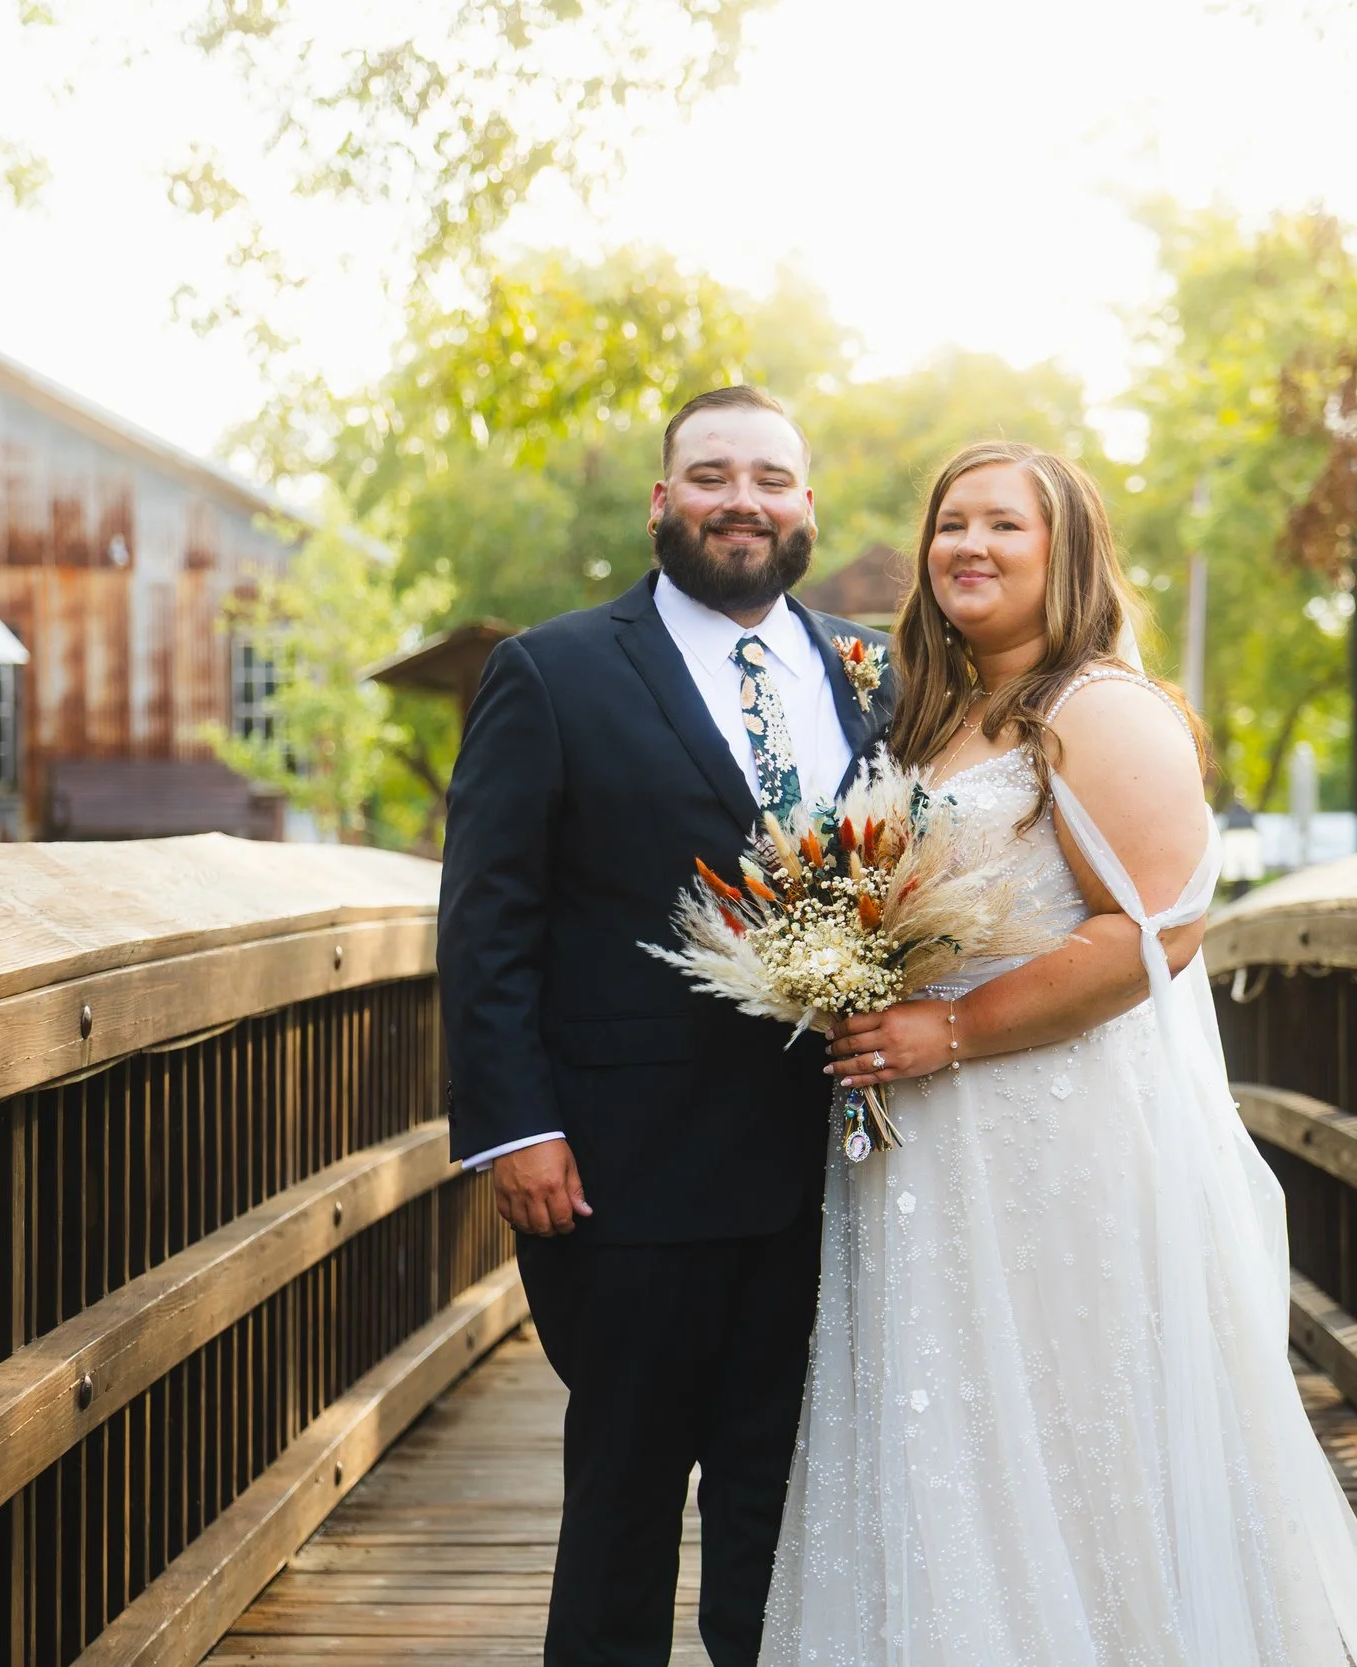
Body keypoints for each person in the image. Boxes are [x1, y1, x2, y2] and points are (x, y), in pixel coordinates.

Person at [760, 441, 1357, 1666]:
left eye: (1001, 524)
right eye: (949, 522)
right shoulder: (934, 711)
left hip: (1042, 1130)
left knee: (1067, 1424)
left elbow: (1158, 933)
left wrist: (947, 1027)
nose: (966, 544)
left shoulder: (1101, 710)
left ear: (1063, 550)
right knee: (943, 1430)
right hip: (923, 1148)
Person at [438, 385, 895, 1667]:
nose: (740, 500)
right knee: (625, 1506)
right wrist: (512, 1126)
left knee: (785, 1509)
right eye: (709, 475)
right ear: (661, 500)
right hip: (629, 1174)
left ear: (806, 505)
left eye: (769, 478)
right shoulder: (554, 669)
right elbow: (488, 920)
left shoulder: (880, 671)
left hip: (840, 1171)